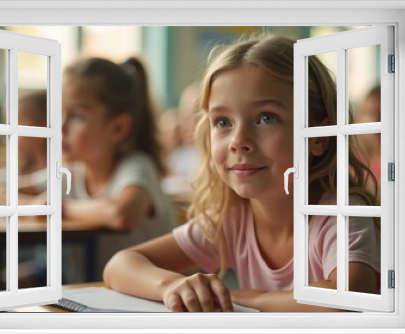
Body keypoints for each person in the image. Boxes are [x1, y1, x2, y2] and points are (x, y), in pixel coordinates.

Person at [103, 35, 381, 312]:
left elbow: (348, 295)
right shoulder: (232, 219)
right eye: (223, 122)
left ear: (320, 136)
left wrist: (255, 301)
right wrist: (170, 285)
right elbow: (120, 265)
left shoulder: (340, 215)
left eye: (266, 118)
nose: (238, 140)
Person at [61, 56, 177, 279]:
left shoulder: (137, 166)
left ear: (117, 127)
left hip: (150, 301)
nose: (61, 126)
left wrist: (62, 208)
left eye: (76, 116)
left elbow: (122, 214)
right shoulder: (70, 172)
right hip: (92, 297)